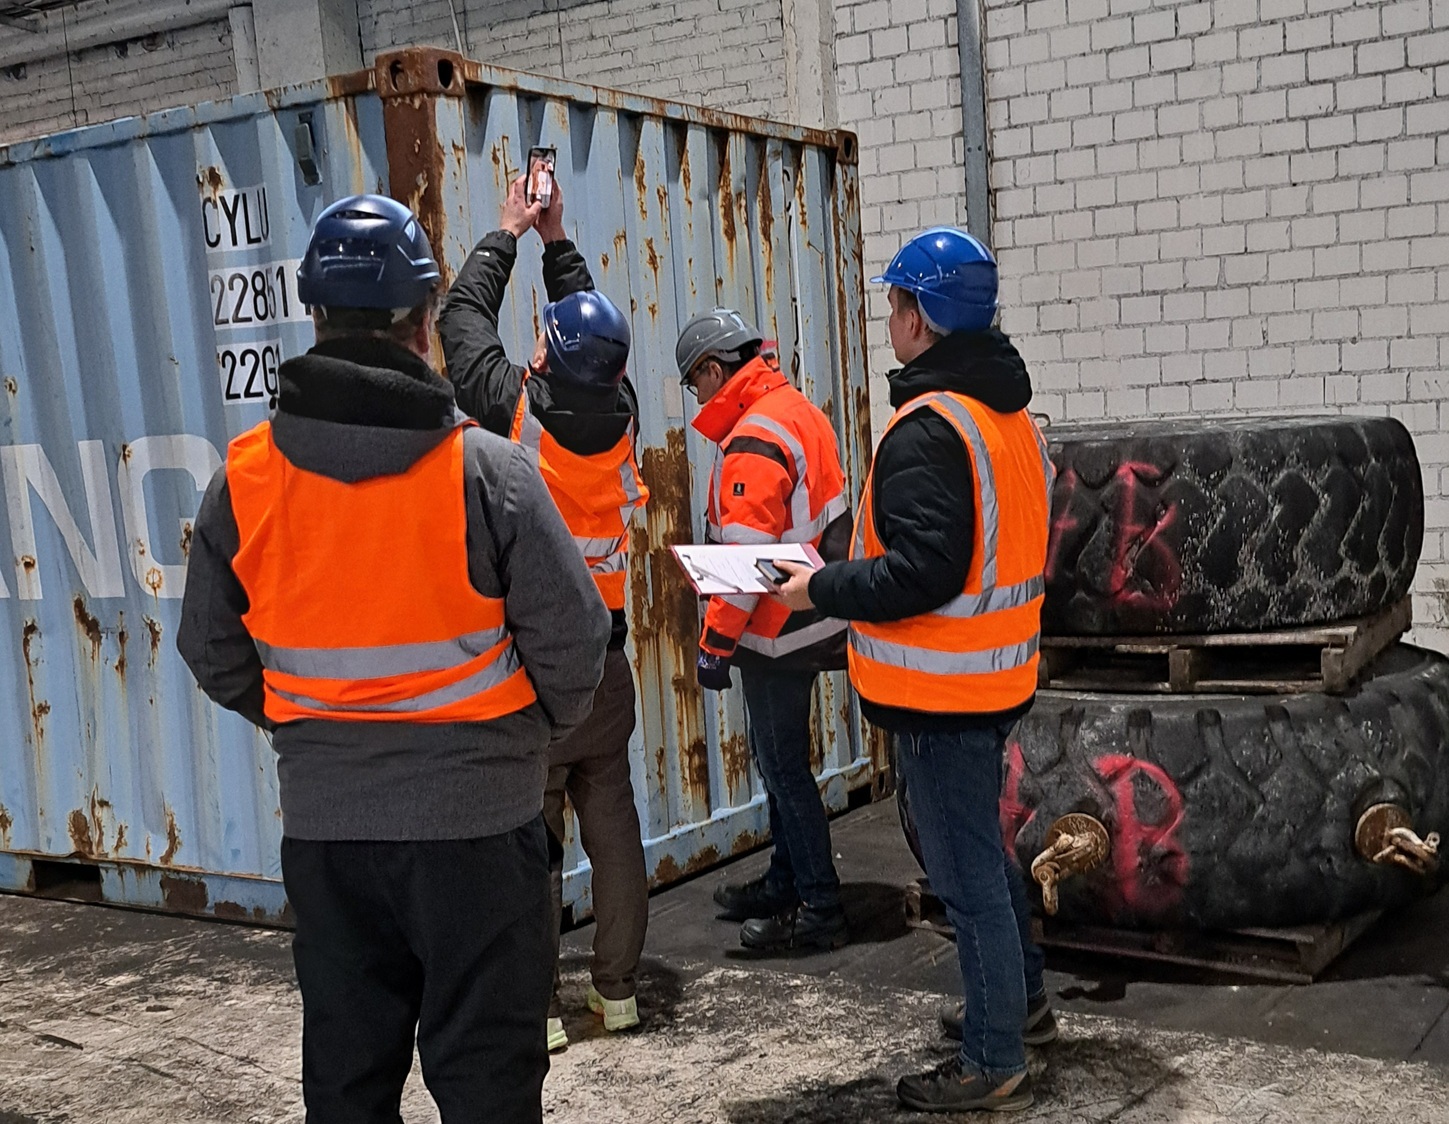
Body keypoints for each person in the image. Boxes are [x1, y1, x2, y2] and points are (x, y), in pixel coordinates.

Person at [177, 194, 610, 1123]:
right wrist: (512, 743)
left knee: (347, 1082)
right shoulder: (487, 473)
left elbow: (211, 649)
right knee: (490, 1085)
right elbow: (577, 649)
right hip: (479, 833)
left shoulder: (244, 480)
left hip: (328, 837)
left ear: (316, 317)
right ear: (424, 323)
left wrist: (307, 727)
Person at [772, 227, 1054, 1113]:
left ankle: (992, 1058)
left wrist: (818, 587)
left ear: (922, 318)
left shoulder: (932, 427)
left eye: (895, 304)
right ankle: (1020, 1004)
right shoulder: (1002, 416)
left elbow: (922, 571)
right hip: (991, 679)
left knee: (966, 880)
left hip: (942, 694)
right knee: (984, 859)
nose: (888, 320)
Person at [438, 172, 650, 1051]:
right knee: (615, 828)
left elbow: (460, 324)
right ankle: (618, 993)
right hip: (608, 665)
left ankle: (541, 1011)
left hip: (532, 675)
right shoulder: (623, 412)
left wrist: (509, 232)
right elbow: (591, 332)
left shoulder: (517, 411)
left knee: (534, 842)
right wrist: (558, 240)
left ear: (545, 361)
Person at [675, 308, 852, 952]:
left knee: (782, 767)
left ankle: (819, 904)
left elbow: (746, 563)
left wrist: (714, 645)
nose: (697, 397)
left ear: (713, 369)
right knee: (782, 764)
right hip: (807, 617)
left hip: (776, 630)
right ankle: (786, 878)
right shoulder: (795, 408)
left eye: (695, 382)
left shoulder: (754, 433)